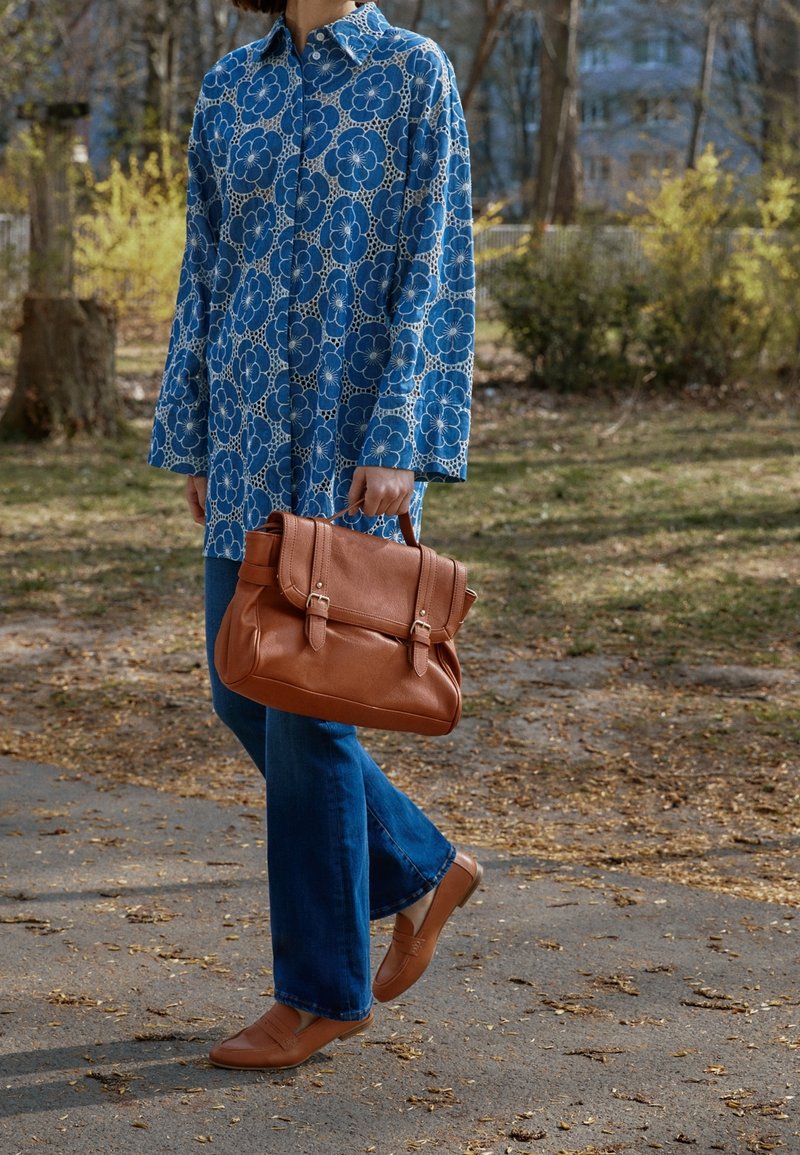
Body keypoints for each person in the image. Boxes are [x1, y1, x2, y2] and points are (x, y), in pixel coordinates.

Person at [148, 0, 480, 1072]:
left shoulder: (412, 73)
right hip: (246, 431)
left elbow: (435, 265)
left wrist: (401, 437)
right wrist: (196, 432)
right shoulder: (230, 84)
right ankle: (419, 867)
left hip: (349, 446)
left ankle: (320, 993)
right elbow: (206, 267)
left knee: (307, 713)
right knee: (240, 683)